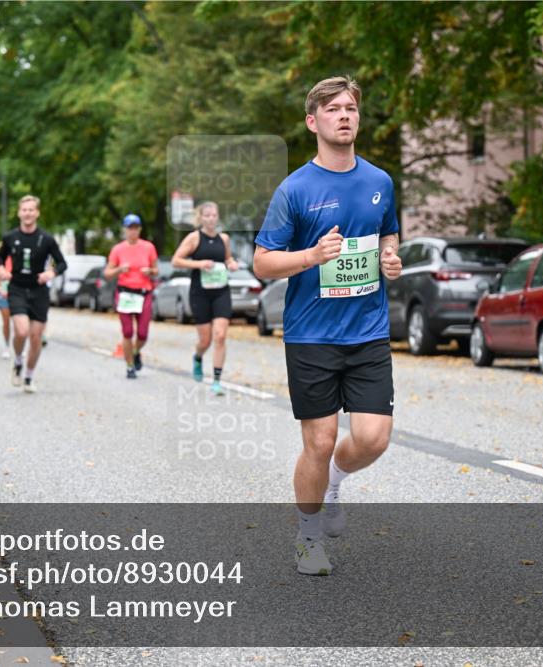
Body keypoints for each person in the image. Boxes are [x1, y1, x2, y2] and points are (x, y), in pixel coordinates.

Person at [253, 76, 404, 576]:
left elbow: (389, 235)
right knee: (316, 442)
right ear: (312, 121)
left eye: (352, 108)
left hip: (367, 331)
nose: (346, 115)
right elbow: (263, 263)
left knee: (374, 438)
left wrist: (390, 259)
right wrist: (311, 256)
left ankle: (335, 480)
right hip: (311, 335)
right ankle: (308, 536)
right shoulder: (294, 189)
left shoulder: (379, 182)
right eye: (334, 108)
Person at [0, 195, 67, 393]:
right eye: (24, 210)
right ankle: (18, 360)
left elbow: (61, 263)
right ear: (19, 213)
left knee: (36, 337)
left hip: (39, 290)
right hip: (17, 288)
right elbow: (0, 256)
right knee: (22, 331)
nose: (27, 213)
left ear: (37, 213)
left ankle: (28, 376)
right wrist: (1, 268)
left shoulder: (46, 239)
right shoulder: (10, 237)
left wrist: (51, 272)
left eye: (31, 210)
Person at [171, 201, 240, 395]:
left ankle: (216, 380)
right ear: (200, 218)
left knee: (220, 336)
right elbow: (176, 260)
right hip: (200, 293)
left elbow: (228, 258)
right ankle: (198, 356)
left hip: (221, 291)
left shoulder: (224, 238)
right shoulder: (193, 238)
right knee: (205, 340)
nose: (211, 218)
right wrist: (199, 264)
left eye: (214, 215)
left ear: (218, 217)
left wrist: (232, 263)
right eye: (207, 215)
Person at [105, 214, 158, 379]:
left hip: (143, 293)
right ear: (125, 230)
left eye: (136, 228)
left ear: (140, 229)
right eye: (130, 228)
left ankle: (135, 352)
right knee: (127, 332)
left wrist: (150, 271)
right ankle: (129, 366)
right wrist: (120, 269)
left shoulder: (148, 247)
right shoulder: (118, 249)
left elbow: (156, 271)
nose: (133, 231)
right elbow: (107, 273)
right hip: (125, 293)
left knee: (142, 333)